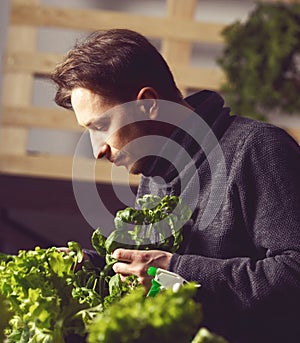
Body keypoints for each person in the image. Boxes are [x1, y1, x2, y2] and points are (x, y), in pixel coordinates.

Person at [52, 29, 300, 343]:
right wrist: (89, 265)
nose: (96, 149)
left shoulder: (258, 148)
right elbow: (152, 266)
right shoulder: (156, 174)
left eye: (101, 126)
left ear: (148, 104)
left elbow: (295, 271)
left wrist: (177, 271)